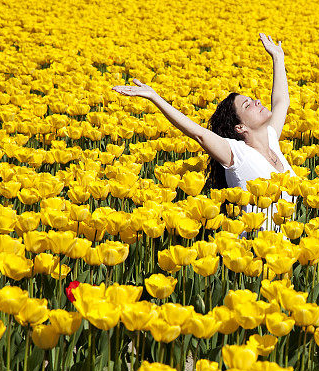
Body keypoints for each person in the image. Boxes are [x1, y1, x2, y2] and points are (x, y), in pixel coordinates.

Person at [112, 32, 295, 232]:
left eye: (253, 99)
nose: (257, 102)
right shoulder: (236, 154)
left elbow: (281, 101)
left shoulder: (271, 139)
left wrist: (278, 58)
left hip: (284, 253)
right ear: (240, 127)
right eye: (247, 104)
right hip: (253, 254)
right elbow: (198, 133)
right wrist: (155, 97)